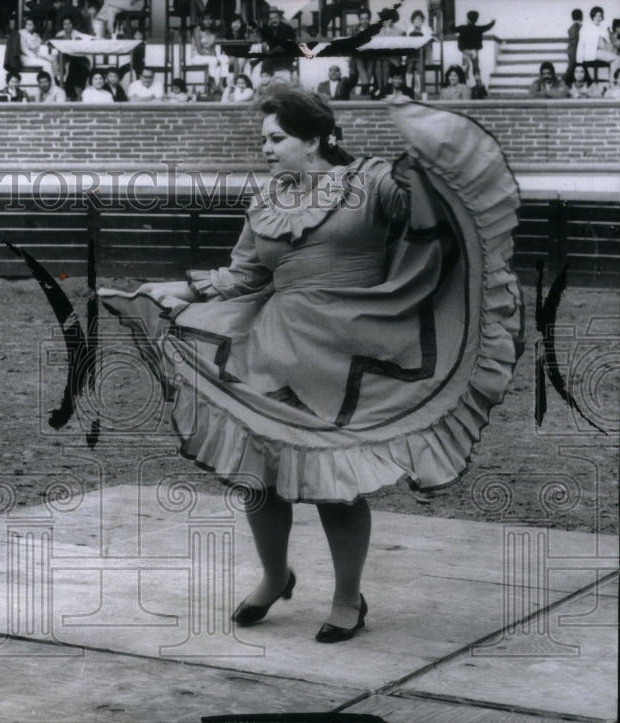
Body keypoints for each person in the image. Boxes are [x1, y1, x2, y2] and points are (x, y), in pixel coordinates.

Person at [99, 87, 522, 645]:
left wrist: (430, 165)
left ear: (316, 138)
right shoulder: (268, 197)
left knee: (334, 481)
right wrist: (177, 288)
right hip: (271, 347)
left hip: (350, 353)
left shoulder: (371, 182)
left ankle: (349, 598)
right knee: (257, 473)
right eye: (264, 140)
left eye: (277, 139)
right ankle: (276, 576)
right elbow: (244, 275)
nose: (267, 150)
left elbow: (430, 219)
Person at [451, 10, 495, 88]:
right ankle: (479, 86)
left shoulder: (462, 28)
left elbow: (453, 29)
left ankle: (465, 86)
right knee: (476, 70)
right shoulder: (478, 28)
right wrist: (492, 22)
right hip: (475, 51)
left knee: (465, 70)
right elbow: (487, 27)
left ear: (468, 19)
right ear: (476, 19)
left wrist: (451, 24)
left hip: (465, 51)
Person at [577, 6, 619, 79]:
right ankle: (612, 82)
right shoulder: (586, 28)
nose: (599, 18)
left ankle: (615, 81)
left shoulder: (603, 28)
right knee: (617, 59)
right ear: (593, 16)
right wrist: (579, 61)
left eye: (600, 16)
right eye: (597, 16)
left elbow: (608, 43)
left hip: (603, 51)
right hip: (592, 53)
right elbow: (581, 44)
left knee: (617, 57)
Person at [567, 9, 584, 82]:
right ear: (581, 17)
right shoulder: (581, 27)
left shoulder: (571, 27)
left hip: (571, 50)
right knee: (573, 69)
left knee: (572, 69)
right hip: (577, 50)